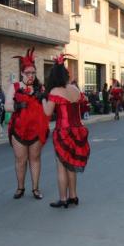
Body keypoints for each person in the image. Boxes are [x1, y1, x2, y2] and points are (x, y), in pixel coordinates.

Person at [43, 54, 91, 208]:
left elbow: (47, 113)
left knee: (61, 166)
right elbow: (82, 105)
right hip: (78, 130)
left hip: (63, 131)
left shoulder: (55, 91)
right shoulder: (75, 89)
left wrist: (43, 100)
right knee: (72, 164)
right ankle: (74, 196)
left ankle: (63, 199)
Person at [5, 48, 49, 199]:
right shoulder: (14, 87)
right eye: (28, 73)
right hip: (19, 130)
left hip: (36, 130)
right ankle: (20, 188)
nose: (31, 76)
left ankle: (35, 189)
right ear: (22, 73)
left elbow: (47, 110)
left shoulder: (40, 88)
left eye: (33, 73)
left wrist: (43, 96)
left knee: (35, 159)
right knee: (20, 160)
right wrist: (17, 105)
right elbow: (6, 106)